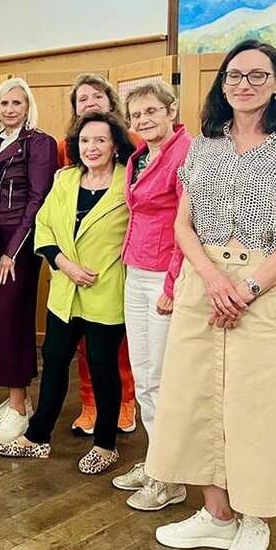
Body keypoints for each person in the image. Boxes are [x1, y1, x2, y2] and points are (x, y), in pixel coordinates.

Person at [147, 40, 276, 550]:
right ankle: (216, 514)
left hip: (264, 287)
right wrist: (210, 276)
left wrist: (244, 288)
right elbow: (183, 224)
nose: (243, 84)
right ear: (222, 84)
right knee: (197, 398)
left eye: (256, 75)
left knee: (257, 407)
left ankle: (254, 519)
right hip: (204, 284)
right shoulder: (205, 144)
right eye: (233, 75)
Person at [0, 110, 135, 474]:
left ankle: (105, 445)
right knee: (55, 363)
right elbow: (43, 228)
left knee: (104, 369)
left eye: (101, 140)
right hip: (64, 291)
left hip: (106, 292)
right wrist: (62, 263)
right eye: (85, 140)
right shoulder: (64, 179)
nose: (92, 147)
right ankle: (38, 437)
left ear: (115, 144)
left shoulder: (129, 183)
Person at [110, 81, 191, 511]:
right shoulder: (140, 157)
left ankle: (169, 477)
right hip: (134, 270)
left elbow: (188, 225)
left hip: (164, 276)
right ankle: (155, 460)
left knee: (161, 379)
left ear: (171, 109)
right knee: (142, 376)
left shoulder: (186, 154)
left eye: (151, 111)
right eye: (136, 115)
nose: (143, 120)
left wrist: (172, 284)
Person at [56, 74, 138, 436]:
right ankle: (89, 404)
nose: (89, 102)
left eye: (96, 96)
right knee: (85, 350)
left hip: (115, 266)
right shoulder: (68, 150)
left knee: (115, 347)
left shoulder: (133, 148)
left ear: (111, 102)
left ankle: (125, 402)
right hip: (73, 270)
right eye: (81, 99)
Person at [0, 79, 57, 445]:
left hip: (18, 243)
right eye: (4, 103)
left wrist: (13, 250)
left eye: (17, 103)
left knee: (11, 321)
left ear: (28, 107)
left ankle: (19, 408)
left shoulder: (39, 143)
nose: (10, 109)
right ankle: (15, 397)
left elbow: (38, 199)